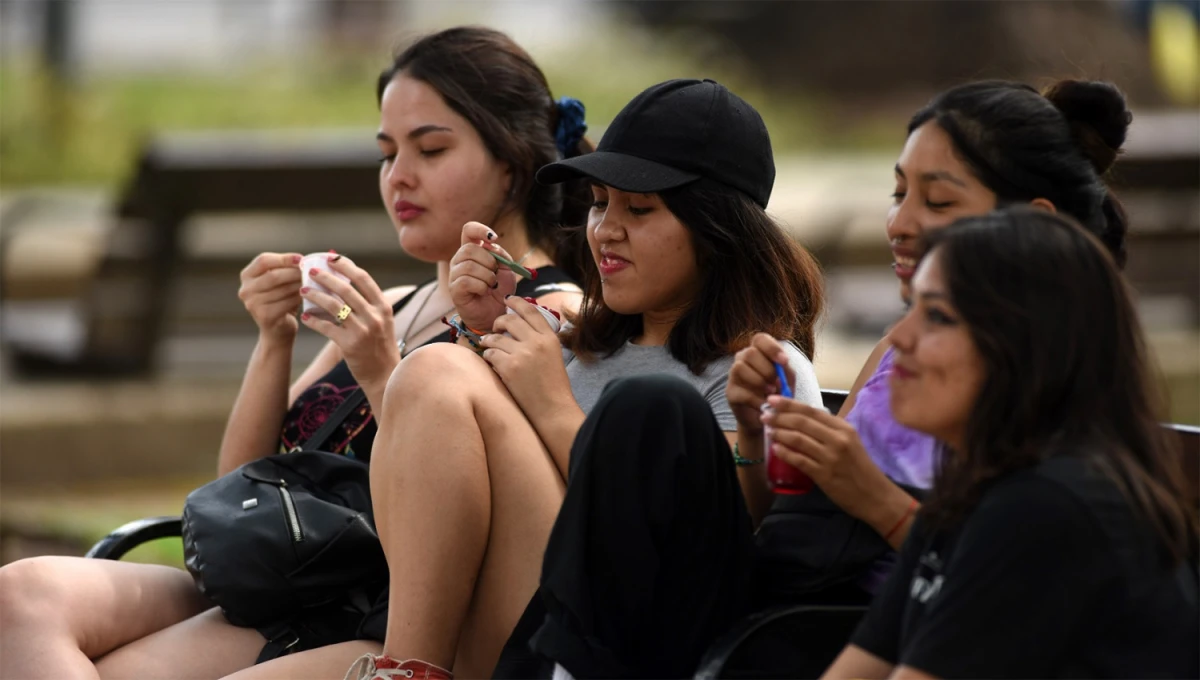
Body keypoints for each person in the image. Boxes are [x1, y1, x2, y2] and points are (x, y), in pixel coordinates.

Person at [497, 78, 1144, 679]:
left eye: (938, 200)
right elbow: (791, 535)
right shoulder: (902, 344)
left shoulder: (1057, 393)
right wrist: (756, 435)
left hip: (829, 629)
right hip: (794, 617)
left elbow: (985, 585)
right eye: (898, 194)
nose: (898, 223)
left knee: (649, 407)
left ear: (1037, 220)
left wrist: (868, 494)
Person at [0, 26, 591, 680]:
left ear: (511, 161)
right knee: (18, 598)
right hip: (290, 578)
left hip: (380, 609)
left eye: (430, 148)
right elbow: (241, 491)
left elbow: (501, 533)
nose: (399, 176)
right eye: (387, 153)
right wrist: (274, 338)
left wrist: (377, 372)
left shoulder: (550, 316)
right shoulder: (399, 303)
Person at [341, 78, 825, 680]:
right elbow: (433, 498)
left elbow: (699, 548)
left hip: (618, 647)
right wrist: (485, 336)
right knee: (437, 368)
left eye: (639, 209)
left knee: (440, 370)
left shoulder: (757, 371)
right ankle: (408, 669)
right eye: (599, 202)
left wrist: (549, 405)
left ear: (719, 229)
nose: (605, 231)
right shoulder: (577, 342)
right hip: (496, 630)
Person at [822, 208, 1198, 679]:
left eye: (937, 315)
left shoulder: (1046, 505)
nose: (899, 338)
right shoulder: (971, 491)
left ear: (1025, 347)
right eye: (911, 308)